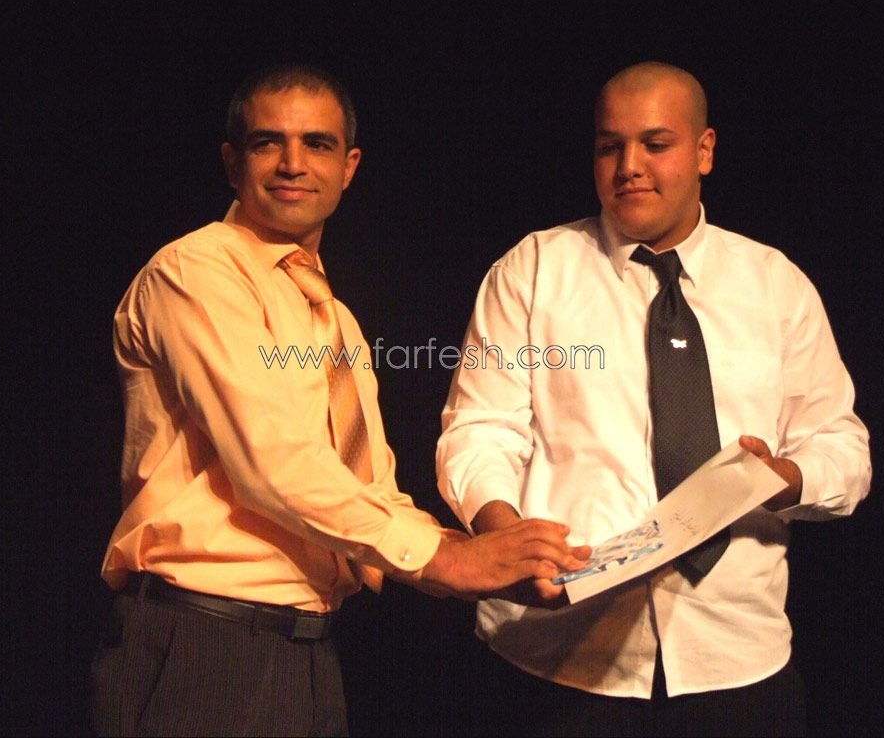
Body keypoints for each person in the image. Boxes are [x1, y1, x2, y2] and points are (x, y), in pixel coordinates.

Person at [91, 64, 586, 737]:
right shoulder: (195, 271)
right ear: (232, 163)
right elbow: (274, 462)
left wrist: (499, 563)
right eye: (268, 142)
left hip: (305, 652)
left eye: (317, 144)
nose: (293, 164)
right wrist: (446, 559)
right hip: (204, 645)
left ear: (348, 167)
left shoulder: (335, 320)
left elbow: (369, 490)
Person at [436, 61, 871, 736]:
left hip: (736, 660)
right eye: (609, 146)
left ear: (704, 151)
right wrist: (504, 536)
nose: (629, 167)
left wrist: (782, 477)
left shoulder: (775, 284)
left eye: (655, 144)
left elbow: (842, 447)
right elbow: (479, 430)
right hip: (557, 660)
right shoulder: (534, 269)